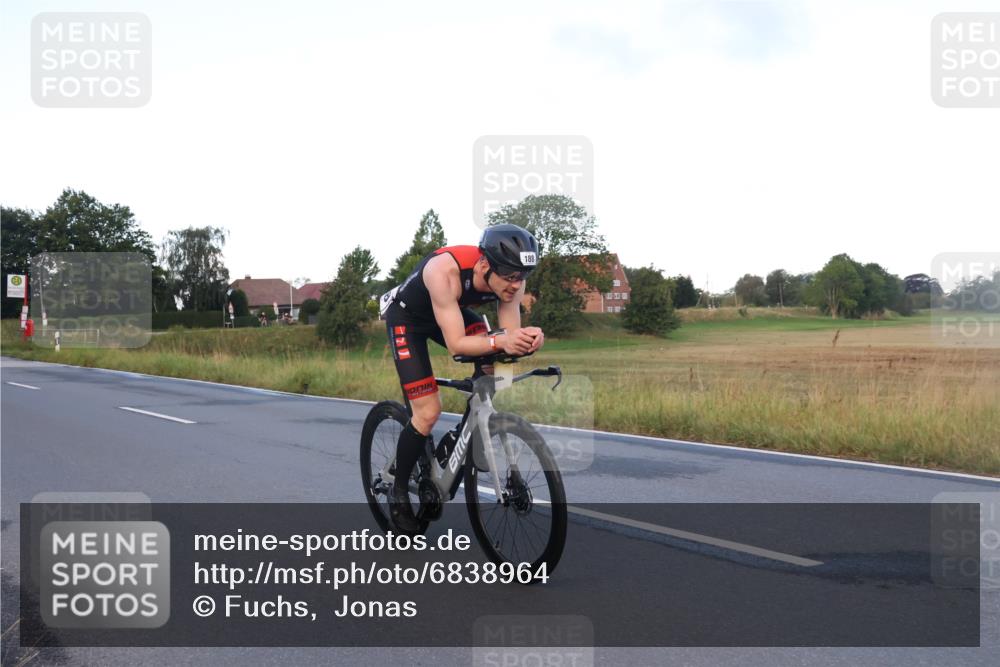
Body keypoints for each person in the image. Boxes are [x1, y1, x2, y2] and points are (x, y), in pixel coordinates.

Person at [380, 223, 545, 533]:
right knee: (427, 413)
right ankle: (398, 491)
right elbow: (457, 344)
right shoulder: (443, 271)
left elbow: (507, 339)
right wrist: (502, 341)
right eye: (509, 277)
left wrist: (529, 341)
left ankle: (465, 433)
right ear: (484, 264)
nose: (515, 286)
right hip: (409, 321)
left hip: (449, 312)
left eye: (521, 278)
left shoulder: (513, 280)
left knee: (495, 364)